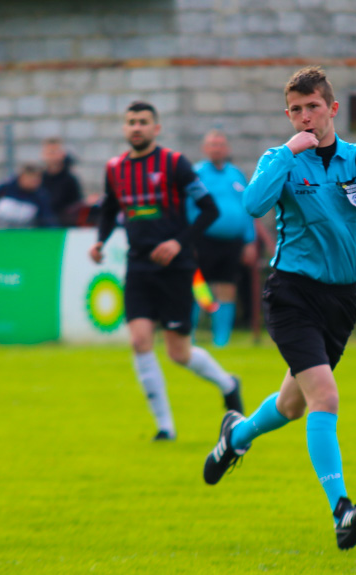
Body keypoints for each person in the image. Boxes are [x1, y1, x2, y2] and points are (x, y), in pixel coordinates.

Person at [202, 66, 356, 550]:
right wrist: (288, 154)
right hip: (291, 294)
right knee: (323, 396)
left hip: (340, 302)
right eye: (296, 110)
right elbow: (253, 204)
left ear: (331, 109)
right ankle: (342, 512)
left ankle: (236, 435)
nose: (305, 117)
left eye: (313, 107)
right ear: (287, 115)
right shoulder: (279, 158)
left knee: (291, 404)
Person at [89, 101, 244, 441]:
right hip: (139, 265)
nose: (136, 127)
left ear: (156, 128)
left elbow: (208, 209)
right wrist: (100, 241)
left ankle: (228, 384)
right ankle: (165, 427)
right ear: (125, 128)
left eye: (143, 122)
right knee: (140, 340)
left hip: (176, 267)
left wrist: (178, 242)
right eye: (131, 122)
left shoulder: (175, 164)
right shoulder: (115, 168)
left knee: (179, 353)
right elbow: (109, 209)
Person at [188, 129, 258, 347]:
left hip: (232, 242)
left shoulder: (236, 174)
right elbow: (188, 207)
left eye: (220, 144)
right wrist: (189, 239)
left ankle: (221, 340)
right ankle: (189, 336)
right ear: (205, 149)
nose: (217, 148)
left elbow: (247, 209)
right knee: (199, 287)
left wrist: (250, 241)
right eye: (212, 144)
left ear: (226, 149)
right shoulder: (197, 174)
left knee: (227, 288)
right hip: (204, 240)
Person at [0, 163, 57, 228]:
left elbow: (47, 218)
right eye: (32, 178)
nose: (35, 182)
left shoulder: (41, 196)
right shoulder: (4, 188)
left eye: (38, 179)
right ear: (22, 177)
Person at [41, 137, 88, 226]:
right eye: (49, 153)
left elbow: (77, 203)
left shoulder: (70, 180)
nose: (52, 156)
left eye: (55, 152)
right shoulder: (39, 178)